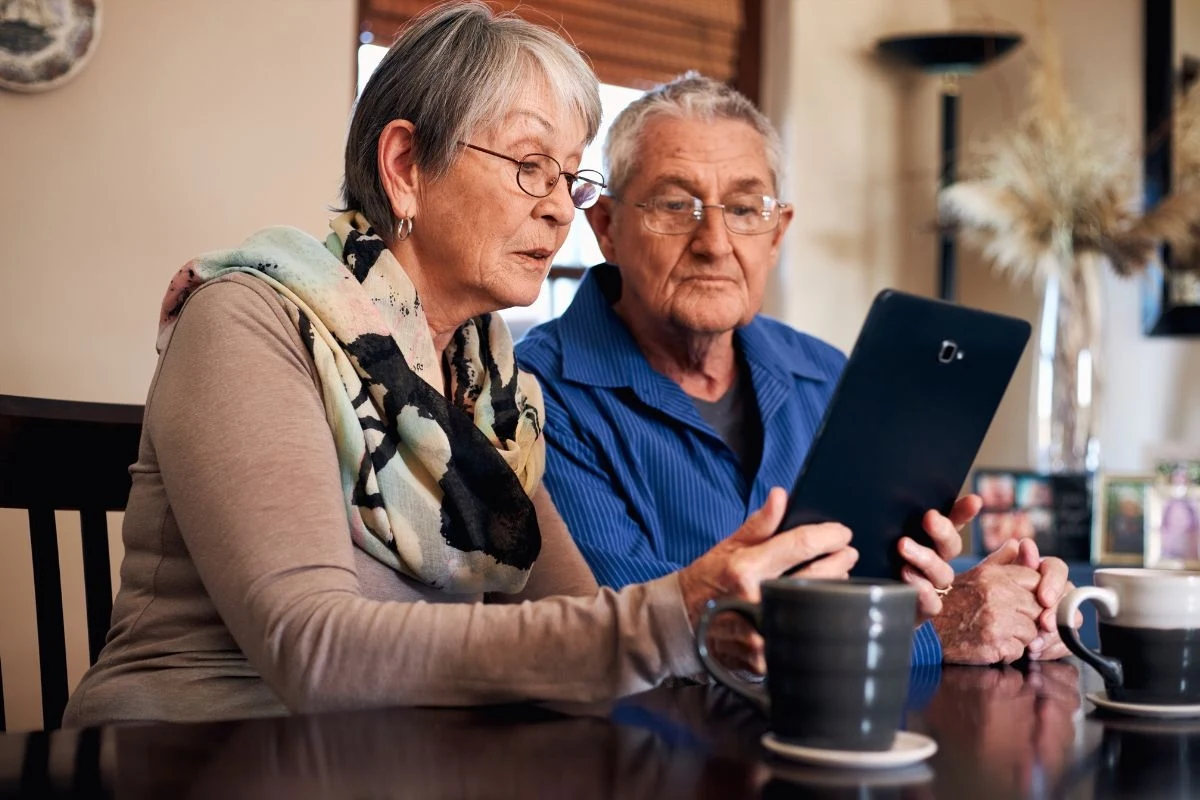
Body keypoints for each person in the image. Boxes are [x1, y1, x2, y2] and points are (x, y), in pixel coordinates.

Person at [60, 3, 869, 727]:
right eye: (529, 165)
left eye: (569, 175)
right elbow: (309, 649)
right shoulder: (249, 320)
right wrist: (671, 614)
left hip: (402, 756)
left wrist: (717, 627)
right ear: (405, 167)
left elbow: (585, 634)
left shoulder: (494, 392)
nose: (560, 207)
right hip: (196, 751)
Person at [517, 74, 1076, 666]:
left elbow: (889, 585)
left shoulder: (826, 374)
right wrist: (932, 629)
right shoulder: (533, 394)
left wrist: (1002, 602)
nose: (715, 242)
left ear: (777, 234)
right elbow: (631, 636)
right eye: (676, 205)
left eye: (744, 209)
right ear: (607, 227)